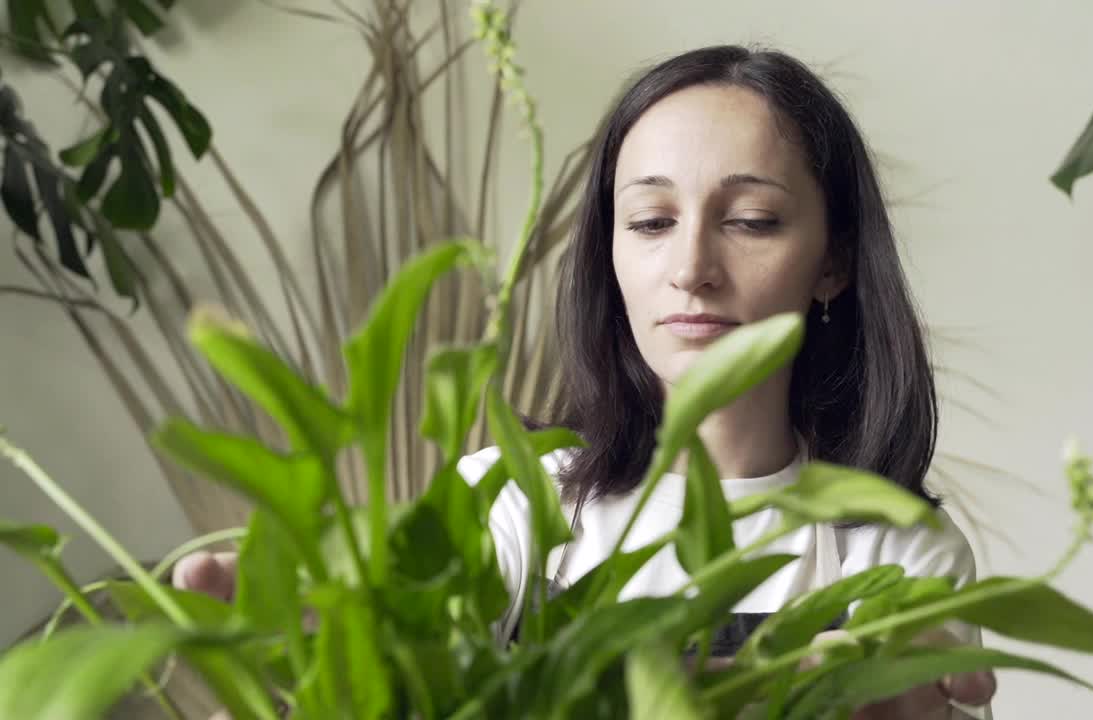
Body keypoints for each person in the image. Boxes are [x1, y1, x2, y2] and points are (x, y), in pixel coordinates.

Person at [177, 45, 998, 719]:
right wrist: (340, 648)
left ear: (835, 262)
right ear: (610, 255)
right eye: (649, 222)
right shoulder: (511, 501)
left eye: (750, 221)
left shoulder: (897, 551)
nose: (691, 270)